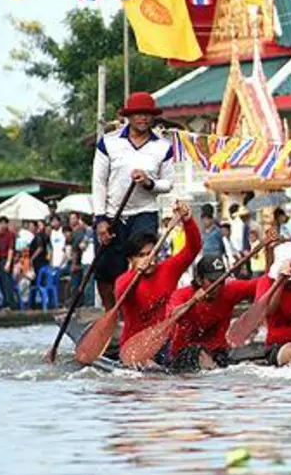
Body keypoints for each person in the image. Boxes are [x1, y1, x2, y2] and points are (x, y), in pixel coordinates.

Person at [93, 92, 175, 310]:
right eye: (138, 114)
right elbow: (99, 183)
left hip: (144, 213)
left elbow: (168, 183)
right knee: (105, 270)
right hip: (111, 214)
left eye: (147, 114)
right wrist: (100, 219)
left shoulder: (163, 147)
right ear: (129, 116)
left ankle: (139, 315)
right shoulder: (108, 144)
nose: (143, 118)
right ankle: (111, 317)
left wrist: (149, 182)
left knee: (144, 265)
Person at [115, 202, 200, 350]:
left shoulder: (168, 269)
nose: (149, 259)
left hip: (164, 341)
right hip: (135, 346)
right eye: (142, 255)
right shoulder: (124, 281)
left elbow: (193, 249)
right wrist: (137, 272)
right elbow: (121, 293)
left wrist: (188, 220)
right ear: (130, 260)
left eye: (152, 253)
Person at [167, 255, 258, 372]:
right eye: (212, 281)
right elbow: (172, 316)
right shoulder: (181, 295)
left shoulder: (230, 289)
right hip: (183, 355)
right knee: (200, 353)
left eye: (221, 281)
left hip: (218, 353)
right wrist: (192, 301)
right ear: (199, 280)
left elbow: (263, 283)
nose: (218, 286)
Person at [0, 216, 17, 309]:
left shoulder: (10, 235)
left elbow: (11, 249)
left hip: (6, 259)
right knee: (2, 282)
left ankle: (10, 303)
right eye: (0, 223)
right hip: (0, 259)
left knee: (7, 282)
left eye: (4, 223)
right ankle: (5, 301)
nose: (2, 225)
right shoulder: (0, 235)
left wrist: (8, 262)